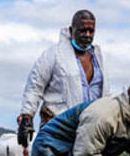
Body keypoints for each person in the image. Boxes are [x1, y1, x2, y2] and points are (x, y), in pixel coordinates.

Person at [17, 9, 110, 148]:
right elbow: (35, 86)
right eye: (82, 30)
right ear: (72, 30)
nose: (87, 35)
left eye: (91, 31)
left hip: (90, 132)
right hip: (57, 129)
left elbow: (106, 94)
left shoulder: (98, 58)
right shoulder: (54, 54)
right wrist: (27, 117)